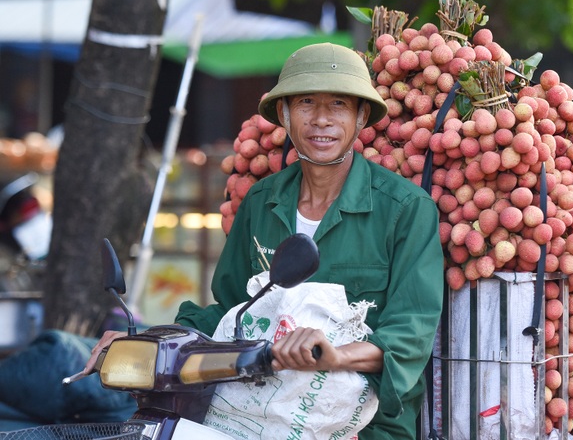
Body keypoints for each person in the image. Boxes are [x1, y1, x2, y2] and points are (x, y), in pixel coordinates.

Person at [89, 42, 444, 440]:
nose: (322, 120)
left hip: (364, 424)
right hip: (257, 412)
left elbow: (410, 335)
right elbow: (228, 311)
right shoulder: (261, 200)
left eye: (339, 105)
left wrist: (334, 356)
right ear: (285, 115)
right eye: (307, 102)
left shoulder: (406, 209)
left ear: (362, 117)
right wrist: (147, 338)